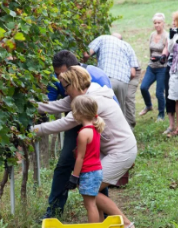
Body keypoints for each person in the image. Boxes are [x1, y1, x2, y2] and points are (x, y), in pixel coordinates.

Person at [34, 66, 136, 228]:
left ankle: (127, 224)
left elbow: (64, 123)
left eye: (66, 87)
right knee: (90, 190)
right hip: (111, 151)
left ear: (74, 83)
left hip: (121, 152)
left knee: (90, 190)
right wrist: (30, 105)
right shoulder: (84, 95)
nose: (65, 92)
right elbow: (54, 105)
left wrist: (32, 131)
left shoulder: (91, 101)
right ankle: (103, 224)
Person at [42, 50, 115, 219]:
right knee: (65, 163)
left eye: (61, 74)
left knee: (96, 163)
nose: (59, 79)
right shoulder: (59, 80)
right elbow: (52, 102)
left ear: (74, 70)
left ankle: (104, 211)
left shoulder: (97, 77)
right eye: (56, 74)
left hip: (98, 122)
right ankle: (53, 211)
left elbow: (113, 108)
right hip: (75, 118)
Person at [64, 95, 105, 223]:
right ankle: (99, 225)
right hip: (96, 170)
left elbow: (80, 158)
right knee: (93, 203)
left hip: (88, 173)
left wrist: (74, 177)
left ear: (80, 112)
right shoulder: (95, 129)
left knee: (90, 205)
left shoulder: (83, 133)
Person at [83, 33, 139, 115]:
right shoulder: (127, 46)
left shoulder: (103, 38)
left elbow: (87, 54)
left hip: (107, 80)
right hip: (123, 82)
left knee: (102, 110)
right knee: (119, 113)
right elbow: (133, 73)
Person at [139, 13, 168, 122]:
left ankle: (161, 114)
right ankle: (148, 105)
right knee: (143, 87)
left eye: (159, 23)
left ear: (163, 23)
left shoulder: (166, 36)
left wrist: (161, 58)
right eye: (155, 23)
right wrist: (151, 59)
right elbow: (150, 50)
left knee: (159, 92)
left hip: (162, 67)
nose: (157, 25)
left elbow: (167, 51)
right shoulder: (152, 35)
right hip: (152, 66)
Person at [163, 11, 178, 135]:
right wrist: (172, 37)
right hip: (171, 67)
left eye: (175, 20)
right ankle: (172, 125)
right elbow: (170, 49)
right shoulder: (171, 33)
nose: (172, 22)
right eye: (172, 20)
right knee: (170, 95)